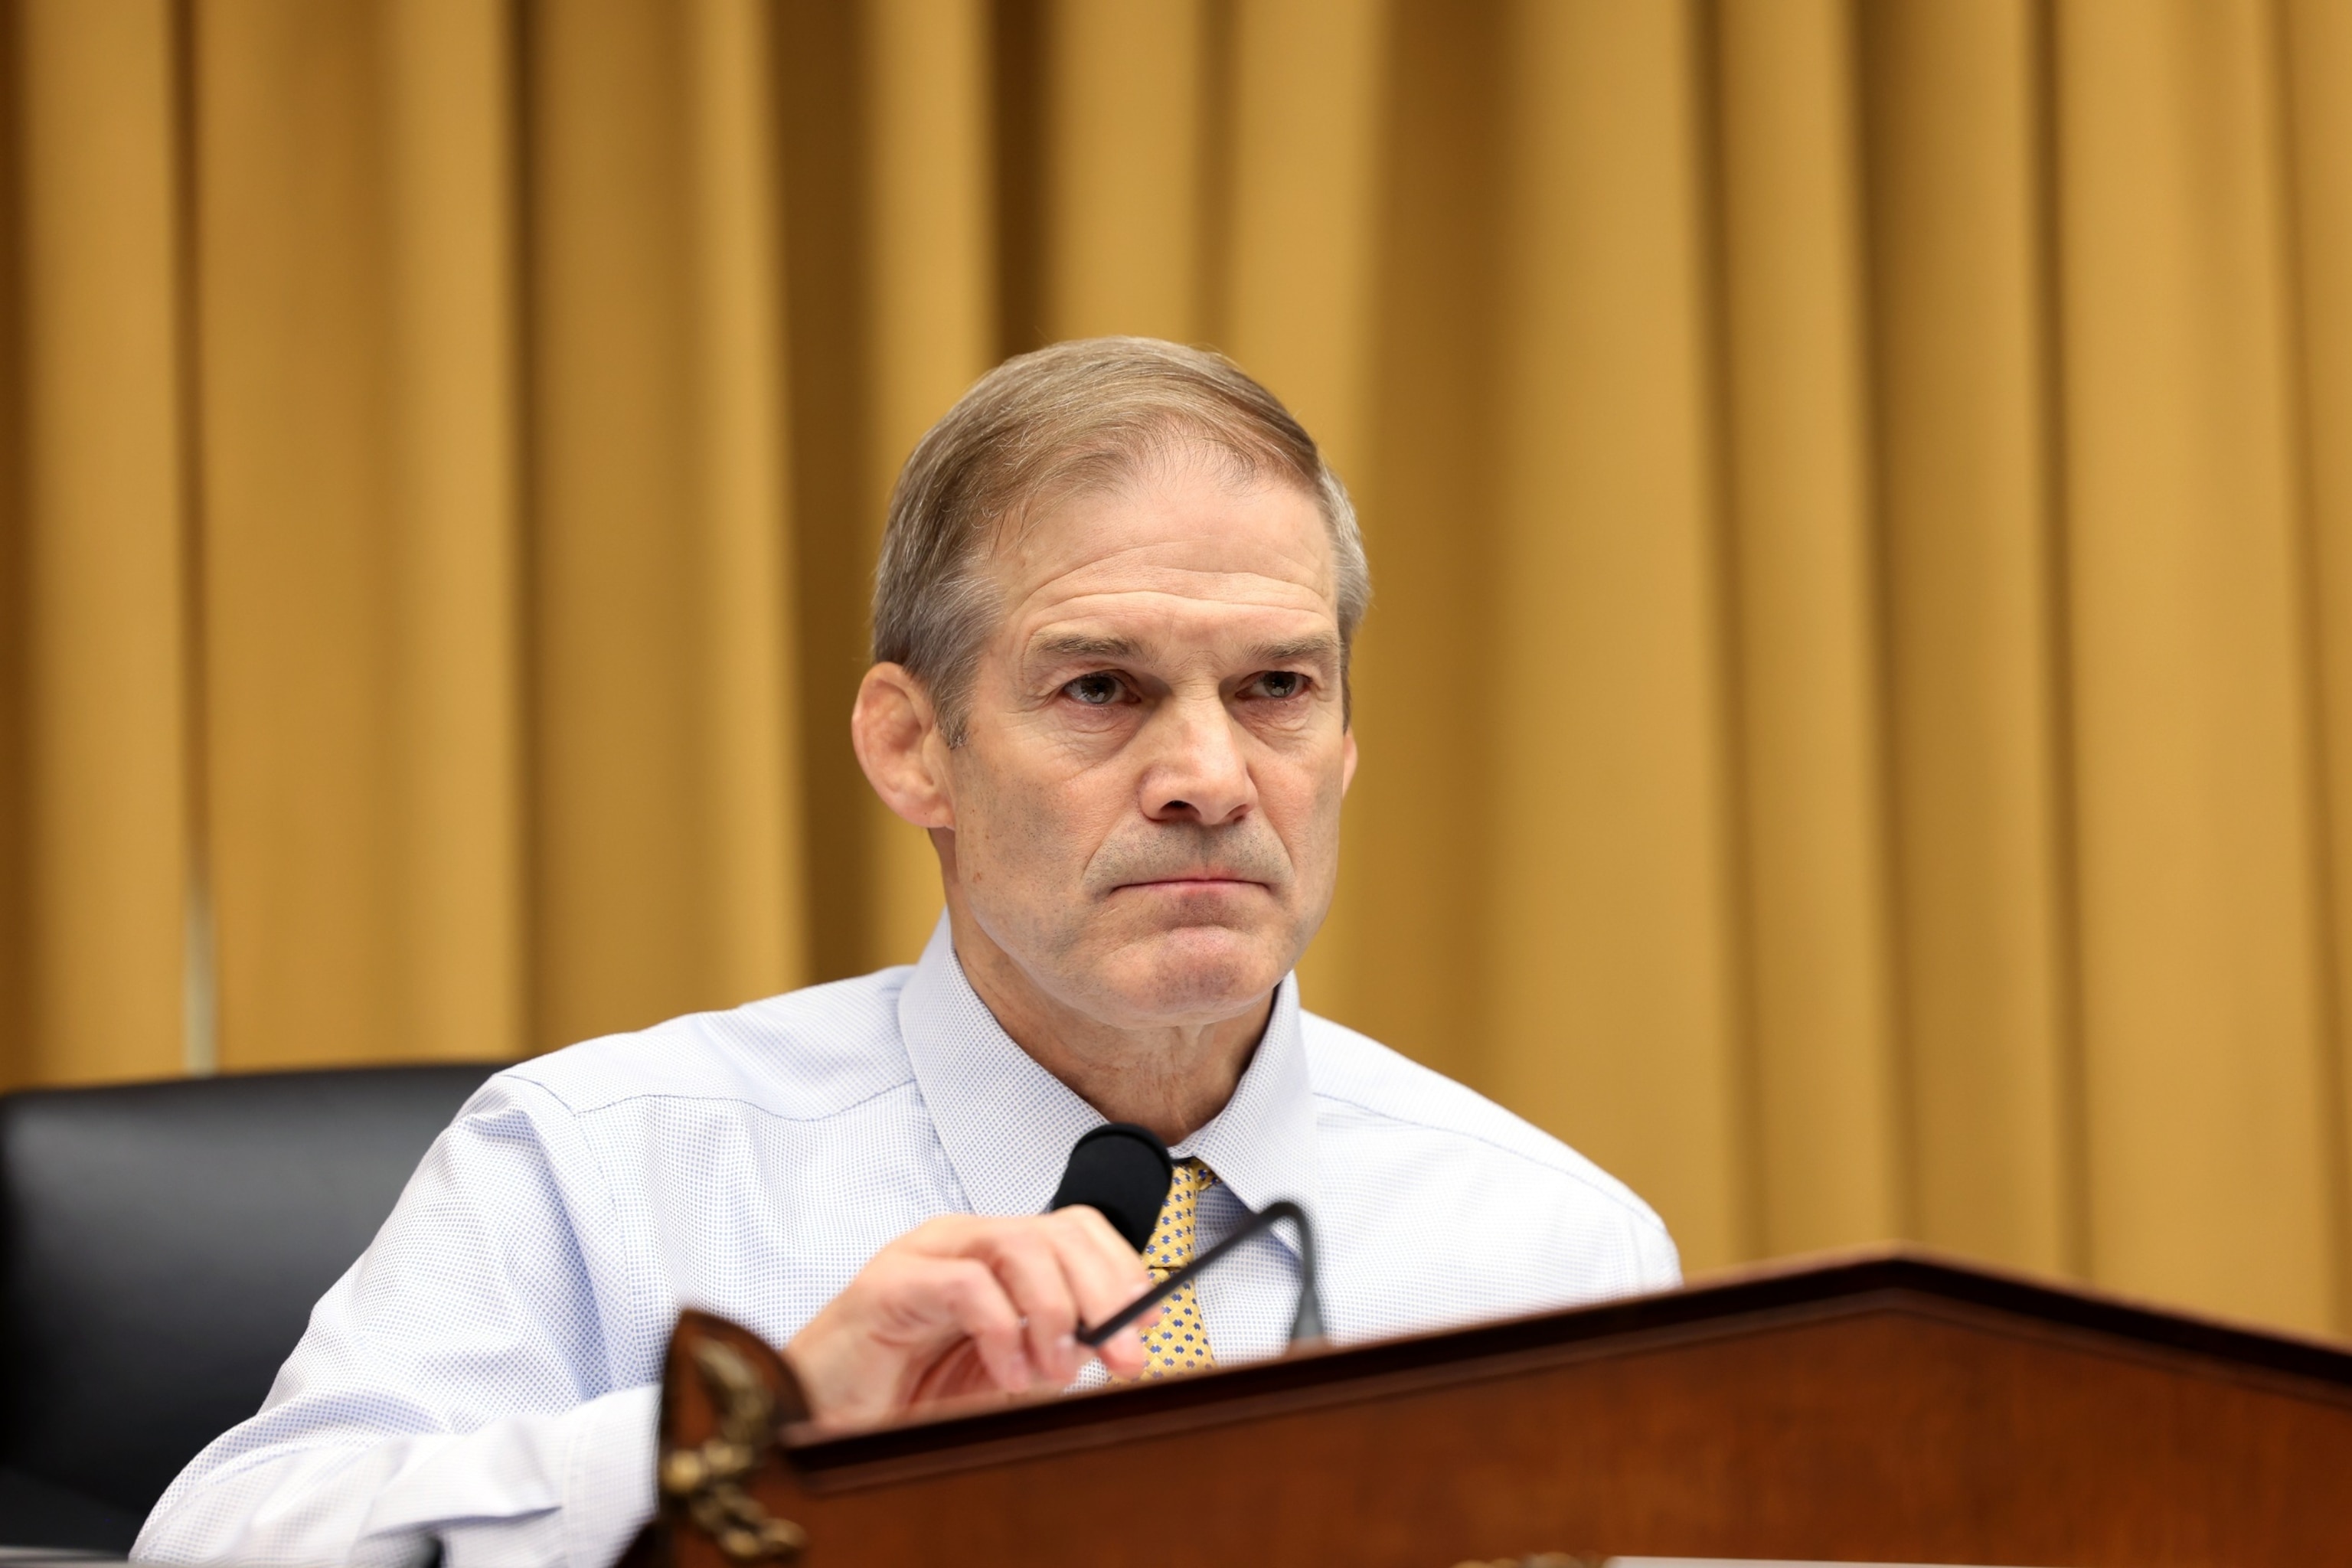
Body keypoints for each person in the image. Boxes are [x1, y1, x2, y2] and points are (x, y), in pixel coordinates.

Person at [137, 338, 1678, 1567]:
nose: (1210, 773)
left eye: (1278, 684)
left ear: (1343, 743)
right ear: (912, 747)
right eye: (1099, 688)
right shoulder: (610, 1163)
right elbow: (214, 1547)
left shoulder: (1558, 1253)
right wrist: (757, 1444)